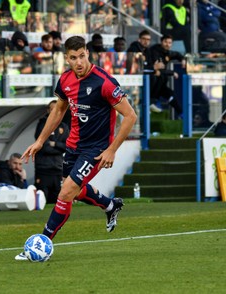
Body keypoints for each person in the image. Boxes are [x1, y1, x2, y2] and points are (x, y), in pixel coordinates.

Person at [15, 36, 137, 260]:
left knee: (66, 191)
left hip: (96, 149)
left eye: (82, 56)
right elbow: (59, 110)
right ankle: (110, 205)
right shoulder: (65, 80)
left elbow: (130, 116)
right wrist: (40, 140)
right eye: (73, 58)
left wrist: (112, 150)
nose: (79, 62)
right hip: (73, 147)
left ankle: (42, 243)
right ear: (67, 58)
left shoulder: (105, 82)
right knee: (75, 192)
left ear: (88, 53)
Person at [34, 100, 69, 204]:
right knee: (42, 200)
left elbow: (68, 146)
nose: (54, 111)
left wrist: (55, 144)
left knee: (57, 199)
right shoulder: (42, 125)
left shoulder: (64, 126)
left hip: (58, 168)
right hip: (43, 168)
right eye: (52, 109)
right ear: (48, 110)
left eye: (56, 109)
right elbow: (44, 147)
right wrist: (59, 148)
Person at [148, 34, 184, 115]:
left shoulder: (167, 53)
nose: (167, 44)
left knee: (171, 95)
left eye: (169, 43)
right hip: (153, 84)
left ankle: (182, 115)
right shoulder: (154, 51)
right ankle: (152, 102)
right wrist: (172, 73)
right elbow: (158, 70)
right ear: (161, 42)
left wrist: (182, 59)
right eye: (165, 42)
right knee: (158, 75)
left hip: (161, 85)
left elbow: (176, 54)